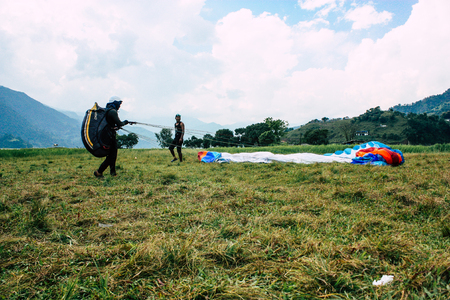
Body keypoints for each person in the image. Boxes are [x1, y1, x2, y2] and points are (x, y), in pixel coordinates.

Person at [94, 96, 133, 178]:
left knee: (112, 154)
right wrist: (126, 122)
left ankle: (113, 172)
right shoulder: (112, 112)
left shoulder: (107, 110)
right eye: (119, 103)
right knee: (112, 155)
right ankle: (99, 171)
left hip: (106, 135)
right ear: (115, 102)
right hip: (109, 137)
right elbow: (119, 123)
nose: (119, 106)